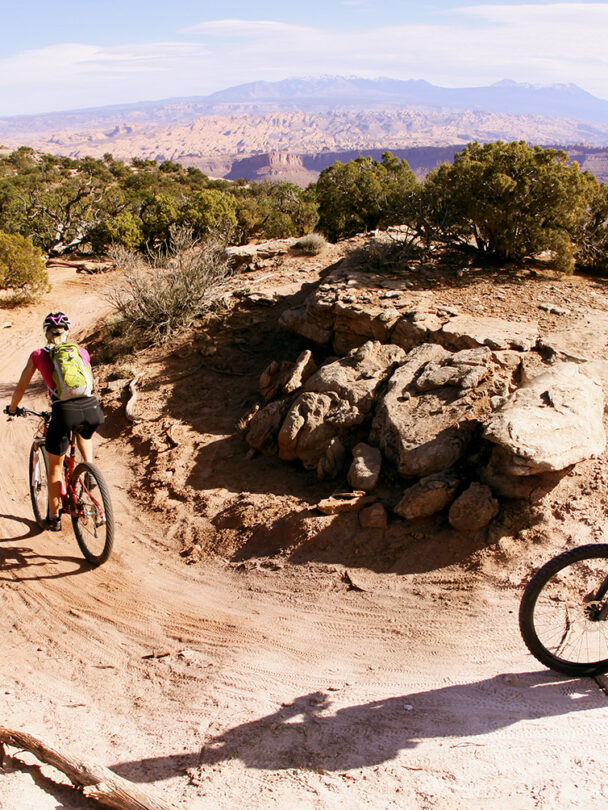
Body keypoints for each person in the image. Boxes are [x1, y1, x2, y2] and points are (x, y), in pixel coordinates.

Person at [6, 312, 104, 532]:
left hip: (64, 411)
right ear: (67, 331)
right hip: (91, 408)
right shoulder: (81, 352)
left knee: (55, 467)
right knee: (82, 433)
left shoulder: (38, 354)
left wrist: (12, 408)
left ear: (46, 333)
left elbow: (21, 387)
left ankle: (53, 518)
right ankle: (90, 469)